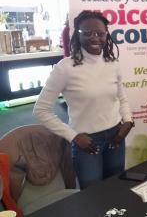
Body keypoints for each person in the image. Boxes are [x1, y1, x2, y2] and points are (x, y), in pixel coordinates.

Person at [33, 11, 134, 189]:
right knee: (93, 195)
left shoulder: (113, 63)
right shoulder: (65, 68)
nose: (95, 37)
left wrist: (128, 120)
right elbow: (41, 110)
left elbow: (121, 98)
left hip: (116, 137)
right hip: (87, 142)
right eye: (87, 33)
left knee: (116, 189)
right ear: (77, 35)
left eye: (100, 33)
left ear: (106, 35)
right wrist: (73, 136)